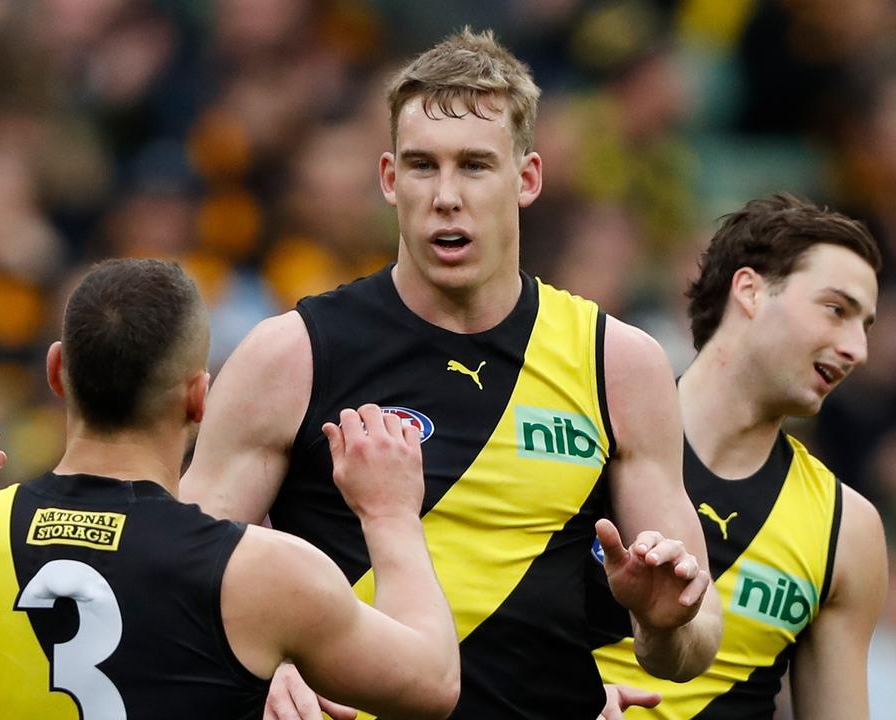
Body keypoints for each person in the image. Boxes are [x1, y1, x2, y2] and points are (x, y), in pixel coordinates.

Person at [179, 28, 722, 719]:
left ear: (526, 179)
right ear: (388, 178)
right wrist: (264, 667)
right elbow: (180, 589)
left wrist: (662, 622)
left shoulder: (617, 363)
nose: (445, 195)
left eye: (474, 165)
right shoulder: (291, 355)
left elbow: (696, 643)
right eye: (422, 166)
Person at [0, 259, 460, 719]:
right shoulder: (262, 573)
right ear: (199, 398)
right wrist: (390, 514)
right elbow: (431, 686)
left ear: (55, 374)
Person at [588, 194, 889, 718]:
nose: (856, 350)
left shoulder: (847, 530)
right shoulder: (591, 439)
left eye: (865, 327)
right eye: (836, 310)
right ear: (749, 290)